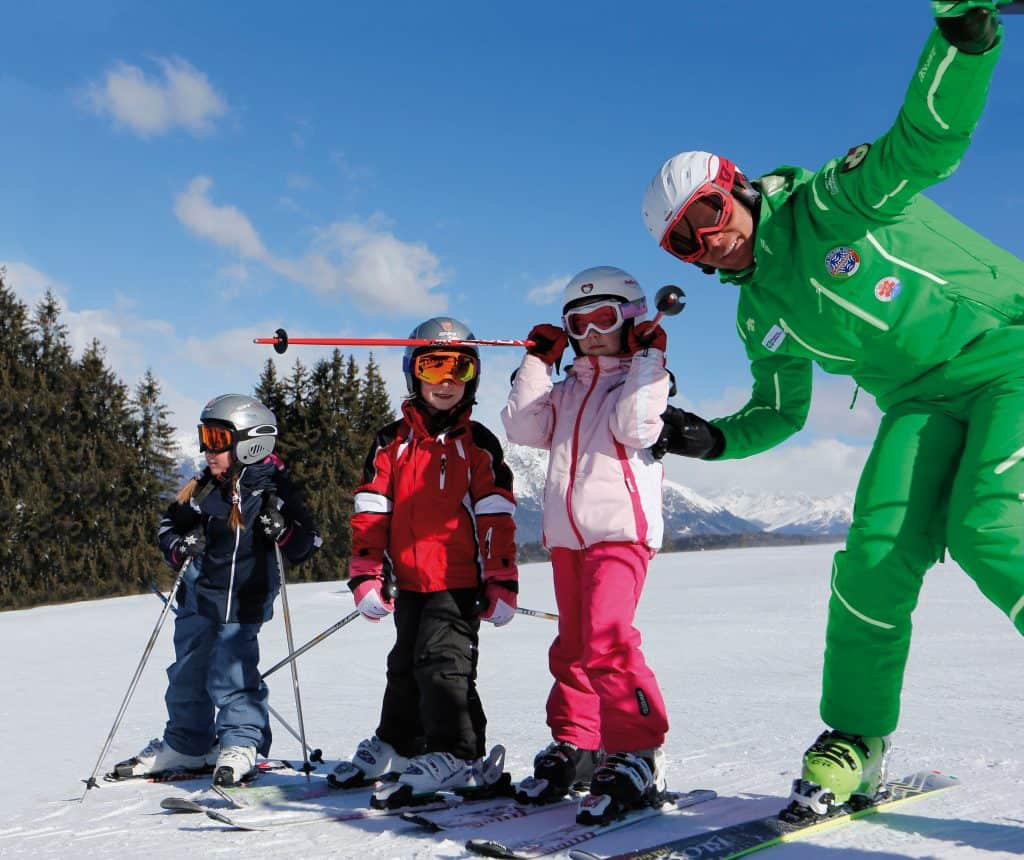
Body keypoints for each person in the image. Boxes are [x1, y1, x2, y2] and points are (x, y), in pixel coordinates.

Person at [642, 0, 1024, 818]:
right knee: (873, 558)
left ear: (734, 187)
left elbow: (924, 143)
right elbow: (780, 411)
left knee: (988, 525)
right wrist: (708, 439)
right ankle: (856, 740)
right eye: (683, 240)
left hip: (1009, 350)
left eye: (706, 211)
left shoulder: (832, 202)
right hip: (921, 400)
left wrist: (963, 40)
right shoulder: (758, 313)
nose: (706, 238)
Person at [501, 266, 672, 825]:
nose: (592, 331)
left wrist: (649, 360)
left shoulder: (641, 379)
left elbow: (638, 428)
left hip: (620, 533)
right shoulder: (567, 388)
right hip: (567, 537)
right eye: (579, 322)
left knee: (607, 642)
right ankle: (579, 744)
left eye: (605, 318)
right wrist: (535, 363)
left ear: (631, 319)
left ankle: (637, 752)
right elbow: (525, 429)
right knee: (572, 645)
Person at [329, 316, 519, 801]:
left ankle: (459, 753)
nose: (447, 382)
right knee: (405, 664)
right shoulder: (391, 441)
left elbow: (496, 516)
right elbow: (372, 510)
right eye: (434, 368)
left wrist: (501, 579)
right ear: (413, 372)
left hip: (459, 583)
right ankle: (400, 741)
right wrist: (367, 572)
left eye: (460, 369)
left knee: (443, 665)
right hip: (408, 580)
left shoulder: (480, 445)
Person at [113, 394, 321, 787]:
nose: (208, 449)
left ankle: (241, 741)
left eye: (217, 438)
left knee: (233, 672)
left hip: (244, 600)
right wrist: (179, 547)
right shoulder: (205, 489)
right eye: (205, 437)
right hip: (198, 598)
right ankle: (188, 744)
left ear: (250, 442)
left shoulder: (274, 491)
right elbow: (167, 527)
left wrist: (284, 530)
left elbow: (308, 543)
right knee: (187, 673)